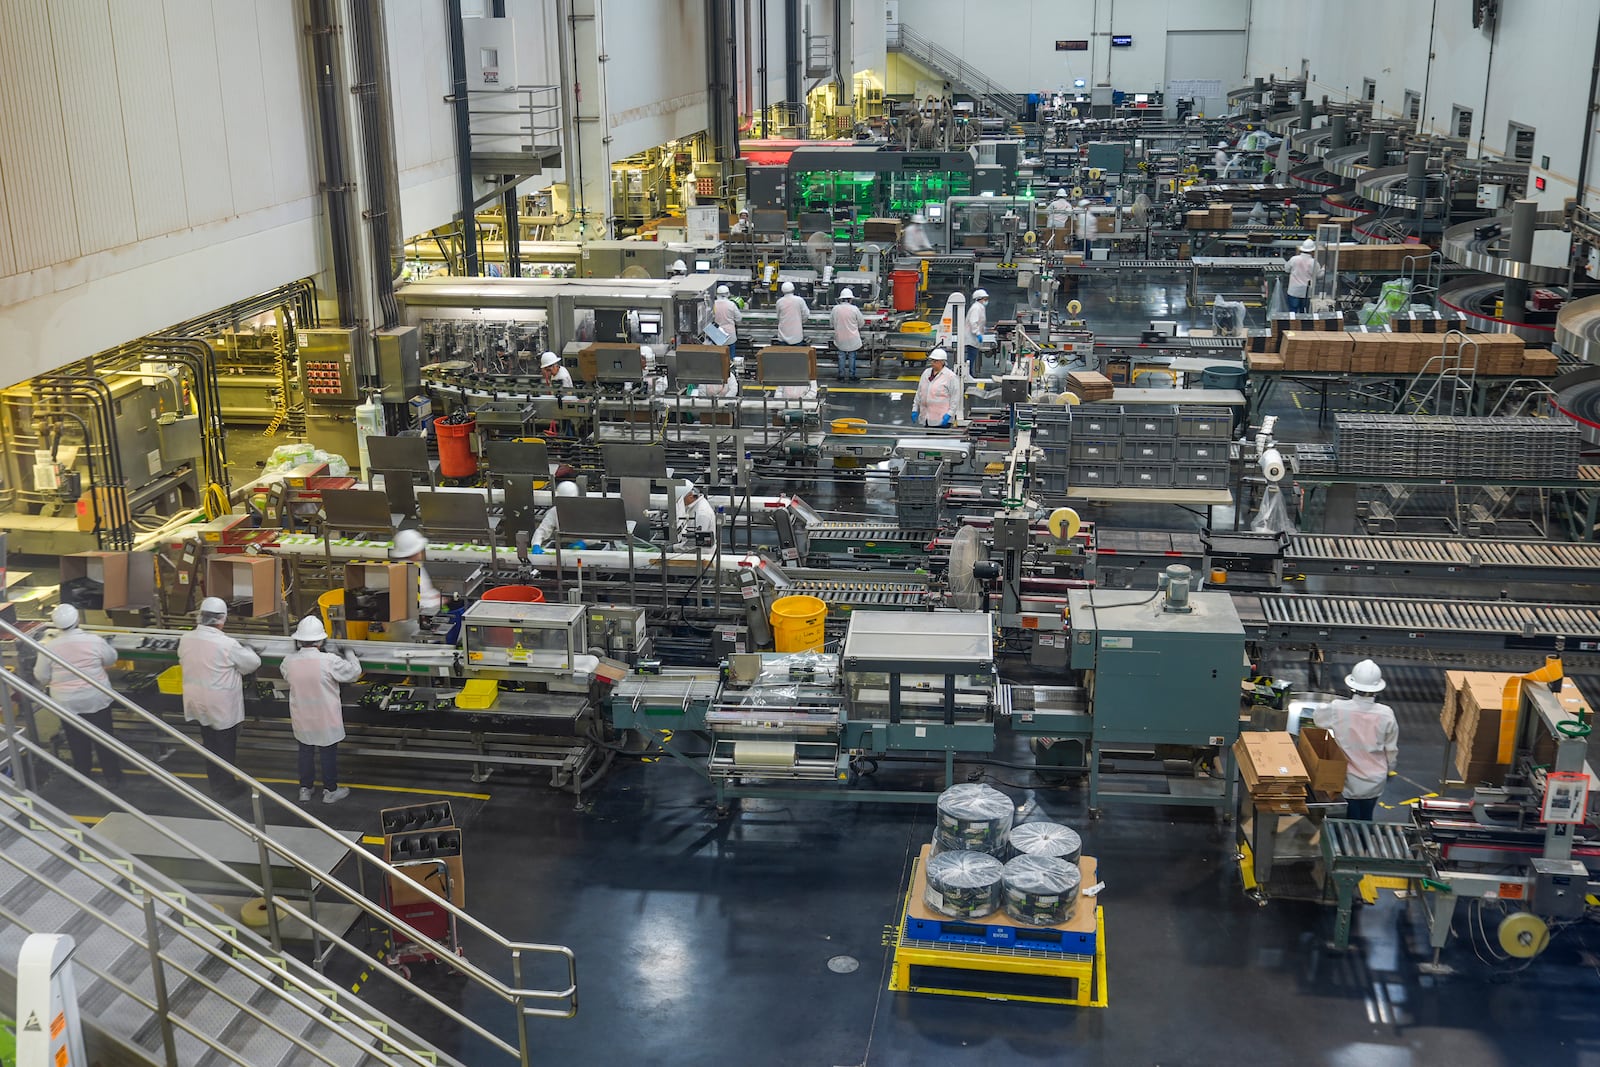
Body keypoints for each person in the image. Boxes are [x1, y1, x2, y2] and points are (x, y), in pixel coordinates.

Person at [177, 597, 262, 798]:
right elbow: (252, 663)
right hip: (220, 705)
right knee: (224, 747)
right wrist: (248, 649)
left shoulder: (186, 638)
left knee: (210, 744)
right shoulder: (226, 644)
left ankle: (215, 783)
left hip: (197, 701)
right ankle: (226, 789)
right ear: (222, 619)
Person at [34, 604, 123, 787]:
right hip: (96, 697)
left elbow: (41, 676)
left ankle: (83, 774)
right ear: (78, 620)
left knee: (76, 739)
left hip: (67, 703)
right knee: (104, 738)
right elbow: (110, 659)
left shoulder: (50, 646)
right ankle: (112, 776)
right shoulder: (94, 641)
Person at [282, 616, 361, 804]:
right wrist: (349, 652)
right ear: (321, 640)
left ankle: (305, 788)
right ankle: (330, 791)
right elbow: (354, 673)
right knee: (327, 753)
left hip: (303, 716)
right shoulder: (329, 661)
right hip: (325, 717)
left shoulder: (288, 661)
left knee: (305, 751)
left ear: (299, 640)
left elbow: (287, 676)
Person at [1315, 660, 1398, 821]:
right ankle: (1364, 844)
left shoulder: (1337, 708)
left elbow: (1318, 718)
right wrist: (1389, 769)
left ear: (1352, 686)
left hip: (1347, 779)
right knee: (1365, 819)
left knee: (1344, 821)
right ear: (1377, 689)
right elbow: (1391, 750)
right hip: (1374, 782)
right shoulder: (1386, 714)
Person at [390, 529, 442, 617]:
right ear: (416, 552)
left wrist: (434, 596)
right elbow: (419, 604)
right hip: (412, 623)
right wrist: (439, 601)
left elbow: (423, 594)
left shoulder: (402, 566)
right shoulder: (411, 571)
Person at [912, 348, 959, 427]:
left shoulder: (950, 377)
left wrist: (950, 414)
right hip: (927, 418)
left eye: (935, 361)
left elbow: (955, 397)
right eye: (932, 360)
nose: (932, 363)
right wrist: (915, 409)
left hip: (942, 419)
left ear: (942, 362)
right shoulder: (926, 373)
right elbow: (919, 392)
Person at [831, 288, 865, 381]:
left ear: (841, 299)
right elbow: (861, 323)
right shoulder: (855, 309)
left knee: (841, 356)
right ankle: (852, 375)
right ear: (850, 299)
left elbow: (831, 323)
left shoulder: (835, 309)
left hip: (840, 337)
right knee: (852, 356)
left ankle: (841, 375)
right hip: (852, 337)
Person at [533, 480, 581, 547]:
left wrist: (584, 543)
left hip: (586, 546)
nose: (567, 503)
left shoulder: (584, 509)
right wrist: (536, 544)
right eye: (564, 500)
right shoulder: (555, 511)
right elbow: (543, 529)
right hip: (564, 545)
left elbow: (595, 531)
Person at [675, 482, 719, 550]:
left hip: (702, 555)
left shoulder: (701, 513)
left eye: (681, 500)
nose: (681, 502)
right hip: (695, 552)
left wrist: (674, 548)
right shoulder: (695, 506)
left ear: (690, 496)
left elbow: (696, 542)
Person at [1285, 238, 1322, 313]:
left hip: (1294, 291)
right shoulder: (1314, 262)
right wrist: (1324, 269)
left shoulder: (1294, 259)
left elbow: (1286, 269)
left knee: (1293, 312)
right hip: (1306, 292)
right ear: (1312, 251)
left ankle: (1293, 324)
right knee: (1304, 313)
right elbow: (1319, 276)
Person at [964, 289, 990, 373]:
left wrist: (984, 329)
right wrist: (978, 333)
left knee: (971, 357)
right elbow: (973, 322)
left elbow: (979, 322)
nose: (986, 301)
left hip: (973, 337)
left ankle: (968, 373)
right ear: (979, 299)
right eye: (985, 299)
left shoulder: (980, 307)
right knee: (971, 357)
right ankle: (967, 374)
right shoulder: (976, 308)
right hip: (972, 337)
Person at [775, 281, 810, 345]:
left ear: (782, 291)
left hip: (782, 337)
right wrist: (800, 322)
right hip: (797, 337)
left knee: (782, 354)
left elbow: (778, 317)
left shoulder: (779, 302)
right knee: (796, 354)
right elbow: (806, 314)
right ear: (793, 289)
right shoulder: (799, 300)